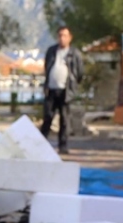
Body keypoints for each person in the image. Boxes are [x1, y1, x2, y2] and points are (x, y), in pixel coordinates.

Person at [40, 26, 84, 154]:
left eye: (65, 35)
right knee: (47, 117)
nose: (62, 38)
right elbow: (47, 67)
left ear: (70, 38)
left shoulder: (74, 53)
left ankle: (63, 146)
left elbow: (80, 72)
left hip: (66, 91)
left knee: (64, 119)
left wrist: (73, 85)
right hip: (51, 90)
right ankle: (40, 144)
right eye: (60, 35)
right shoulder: (51, 51)